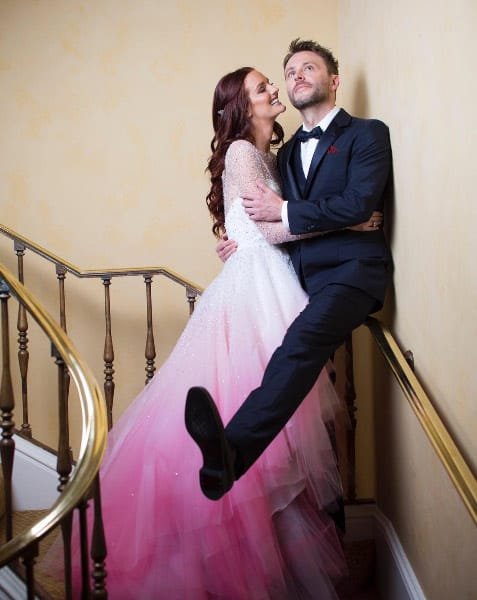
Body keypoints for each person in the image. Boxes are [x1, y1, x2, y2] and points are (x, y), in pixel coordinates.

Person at [50, 65, 381, 600]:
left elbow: (271, 221)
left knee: (287, 410)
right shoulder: (242, 152)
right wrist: (350, 221)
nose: (273, 89)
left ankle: (280, 540)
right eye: (261, 87)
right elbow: (268, 228)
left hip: (276, 277)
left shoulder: (275, 156)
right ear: (241, 107)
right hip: (256, 287)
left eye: (271, 82)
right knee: (268, 395)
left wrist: (264, 231)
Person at [185, 38, 392, 508]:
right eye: (289, 71)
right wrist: (243, 243)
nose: (295, 76)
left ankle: (231, 451)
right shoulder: (284, 153)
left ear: (334, 80)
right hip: (296, 280)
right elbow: (274, 222)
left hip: (352, 273)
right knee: (312, 401)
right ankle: (328, 516)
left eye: (308, 67)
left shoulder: (367, 134)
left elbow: (357, 202)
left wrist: (291, 212)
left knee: (301, 344)